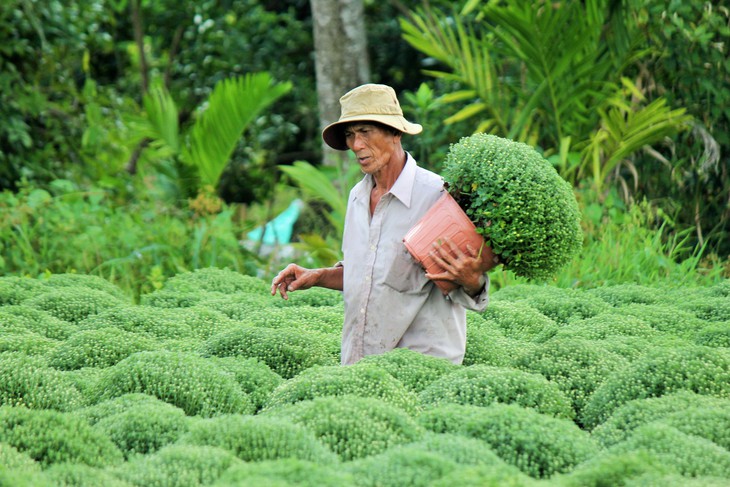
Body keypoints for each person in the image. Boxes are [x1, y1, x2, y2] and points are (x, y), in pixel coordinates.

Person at [271, 83, 495, 365]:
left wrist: (473, 280)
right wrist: (317, 276)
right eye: (351, 135)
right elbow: (368, 276)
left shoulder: (438, 196)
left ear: (395, 132)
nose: (356, 145)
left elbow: (469, 282)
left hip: (422, 366)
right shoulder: (357, 198)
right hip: (362, 364)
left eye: (365, 132)